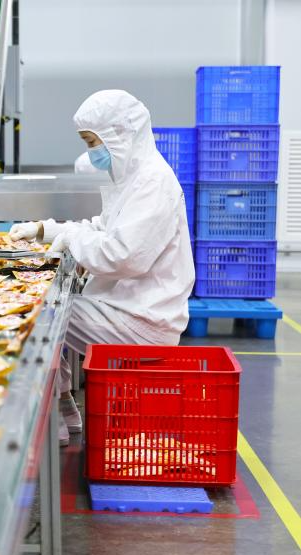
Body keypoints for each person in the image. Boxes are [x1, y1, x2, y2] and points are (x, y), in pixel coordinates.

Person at [10, 90, 194, 444]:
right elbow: (102, 229)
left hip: (142, 321)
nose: (92, 151)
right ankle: (64, 407)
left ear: (119, 135)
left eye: (92, 142)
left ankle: (51, 419)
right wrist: (46, 230)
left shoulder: (153, 182)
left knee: (38, 316)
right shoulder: (133, 178)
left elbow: (123, 255)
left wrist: (72, 241)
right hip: (127, 308)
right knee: (48, 309)